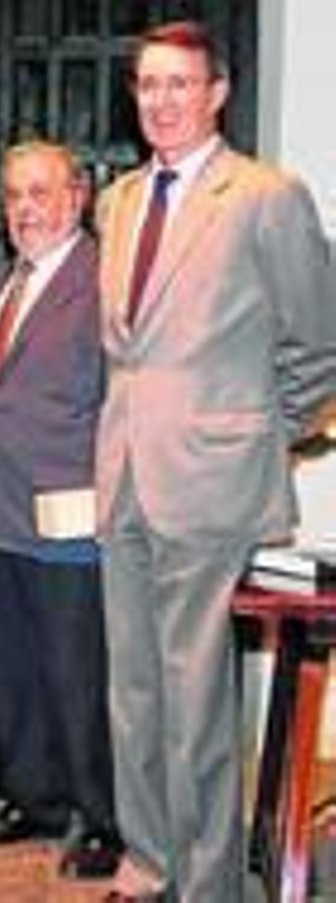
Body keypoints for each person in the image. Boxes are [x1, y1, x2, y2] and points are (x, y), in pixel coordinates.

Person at [96, 21, 336, 901]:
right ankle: (149, 859)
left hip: (213, 482)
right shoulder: (117, 200)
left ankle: (207, 887)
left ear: (217, 92)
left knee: (196, 701)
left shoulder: (267, 195)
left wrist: (255, 427)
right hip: (123, 472)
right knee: (135, 694)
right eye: (147, 85)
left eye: (177, 84)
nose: (160, 101)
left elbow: (319, 341)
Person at [0, 141, 120, 880]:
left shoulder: (102, 281)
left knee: (74, 671)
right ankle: (34, 798)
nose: (24, 209)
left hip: (66, 513)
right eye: (13, 194)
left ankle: (100, 818)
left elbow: (120, 401)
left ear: (76, 197)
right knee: (12, 666)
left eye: (40, 193)